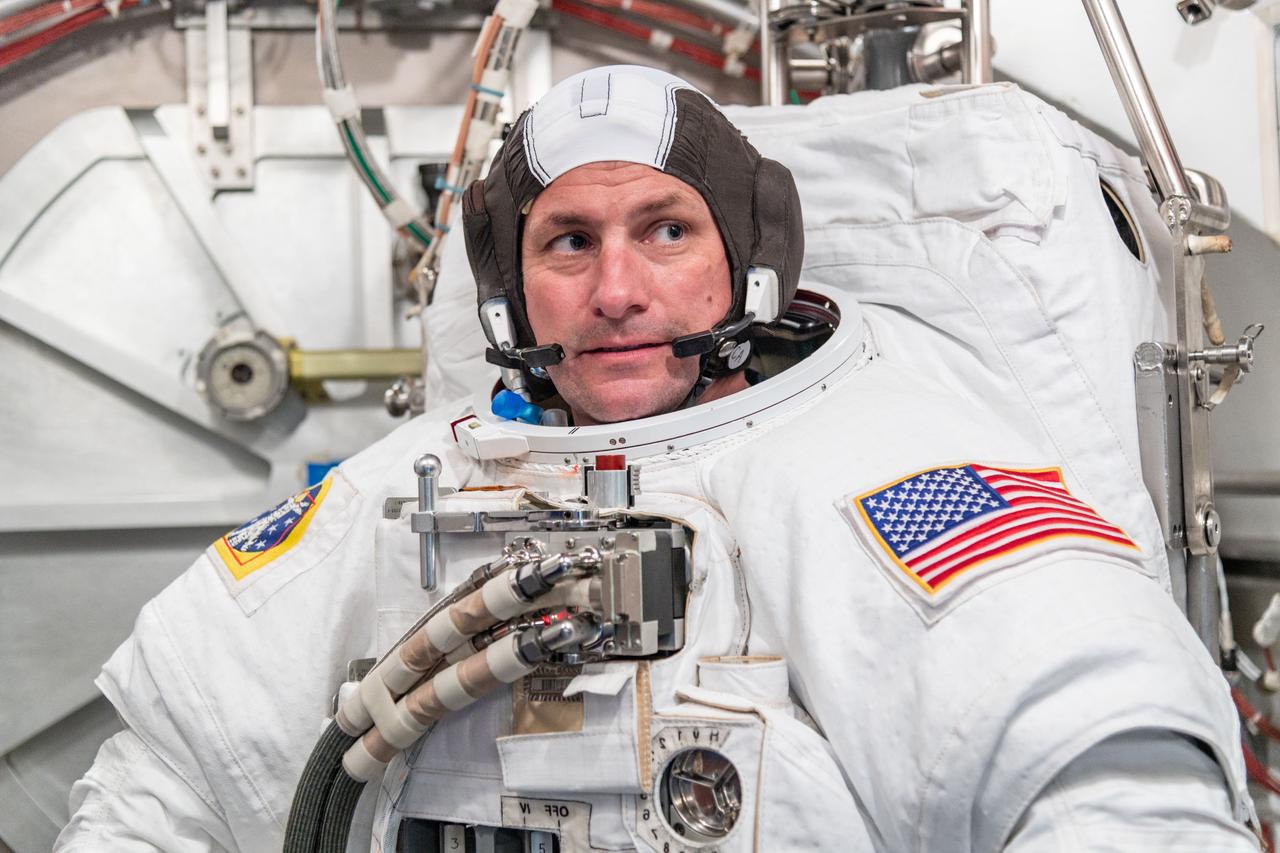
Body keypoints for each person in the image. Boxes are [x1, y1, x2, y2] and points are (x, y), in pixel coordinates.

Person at [58, 65, 1258, 852]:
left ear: (747, 258)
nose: (618, 291)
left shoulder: (893, 468)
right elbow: (164, 788)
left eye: (665, 231)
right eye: (567, 241)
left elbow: (1113, 784)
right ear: (508, 286)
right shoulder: (398, 490)